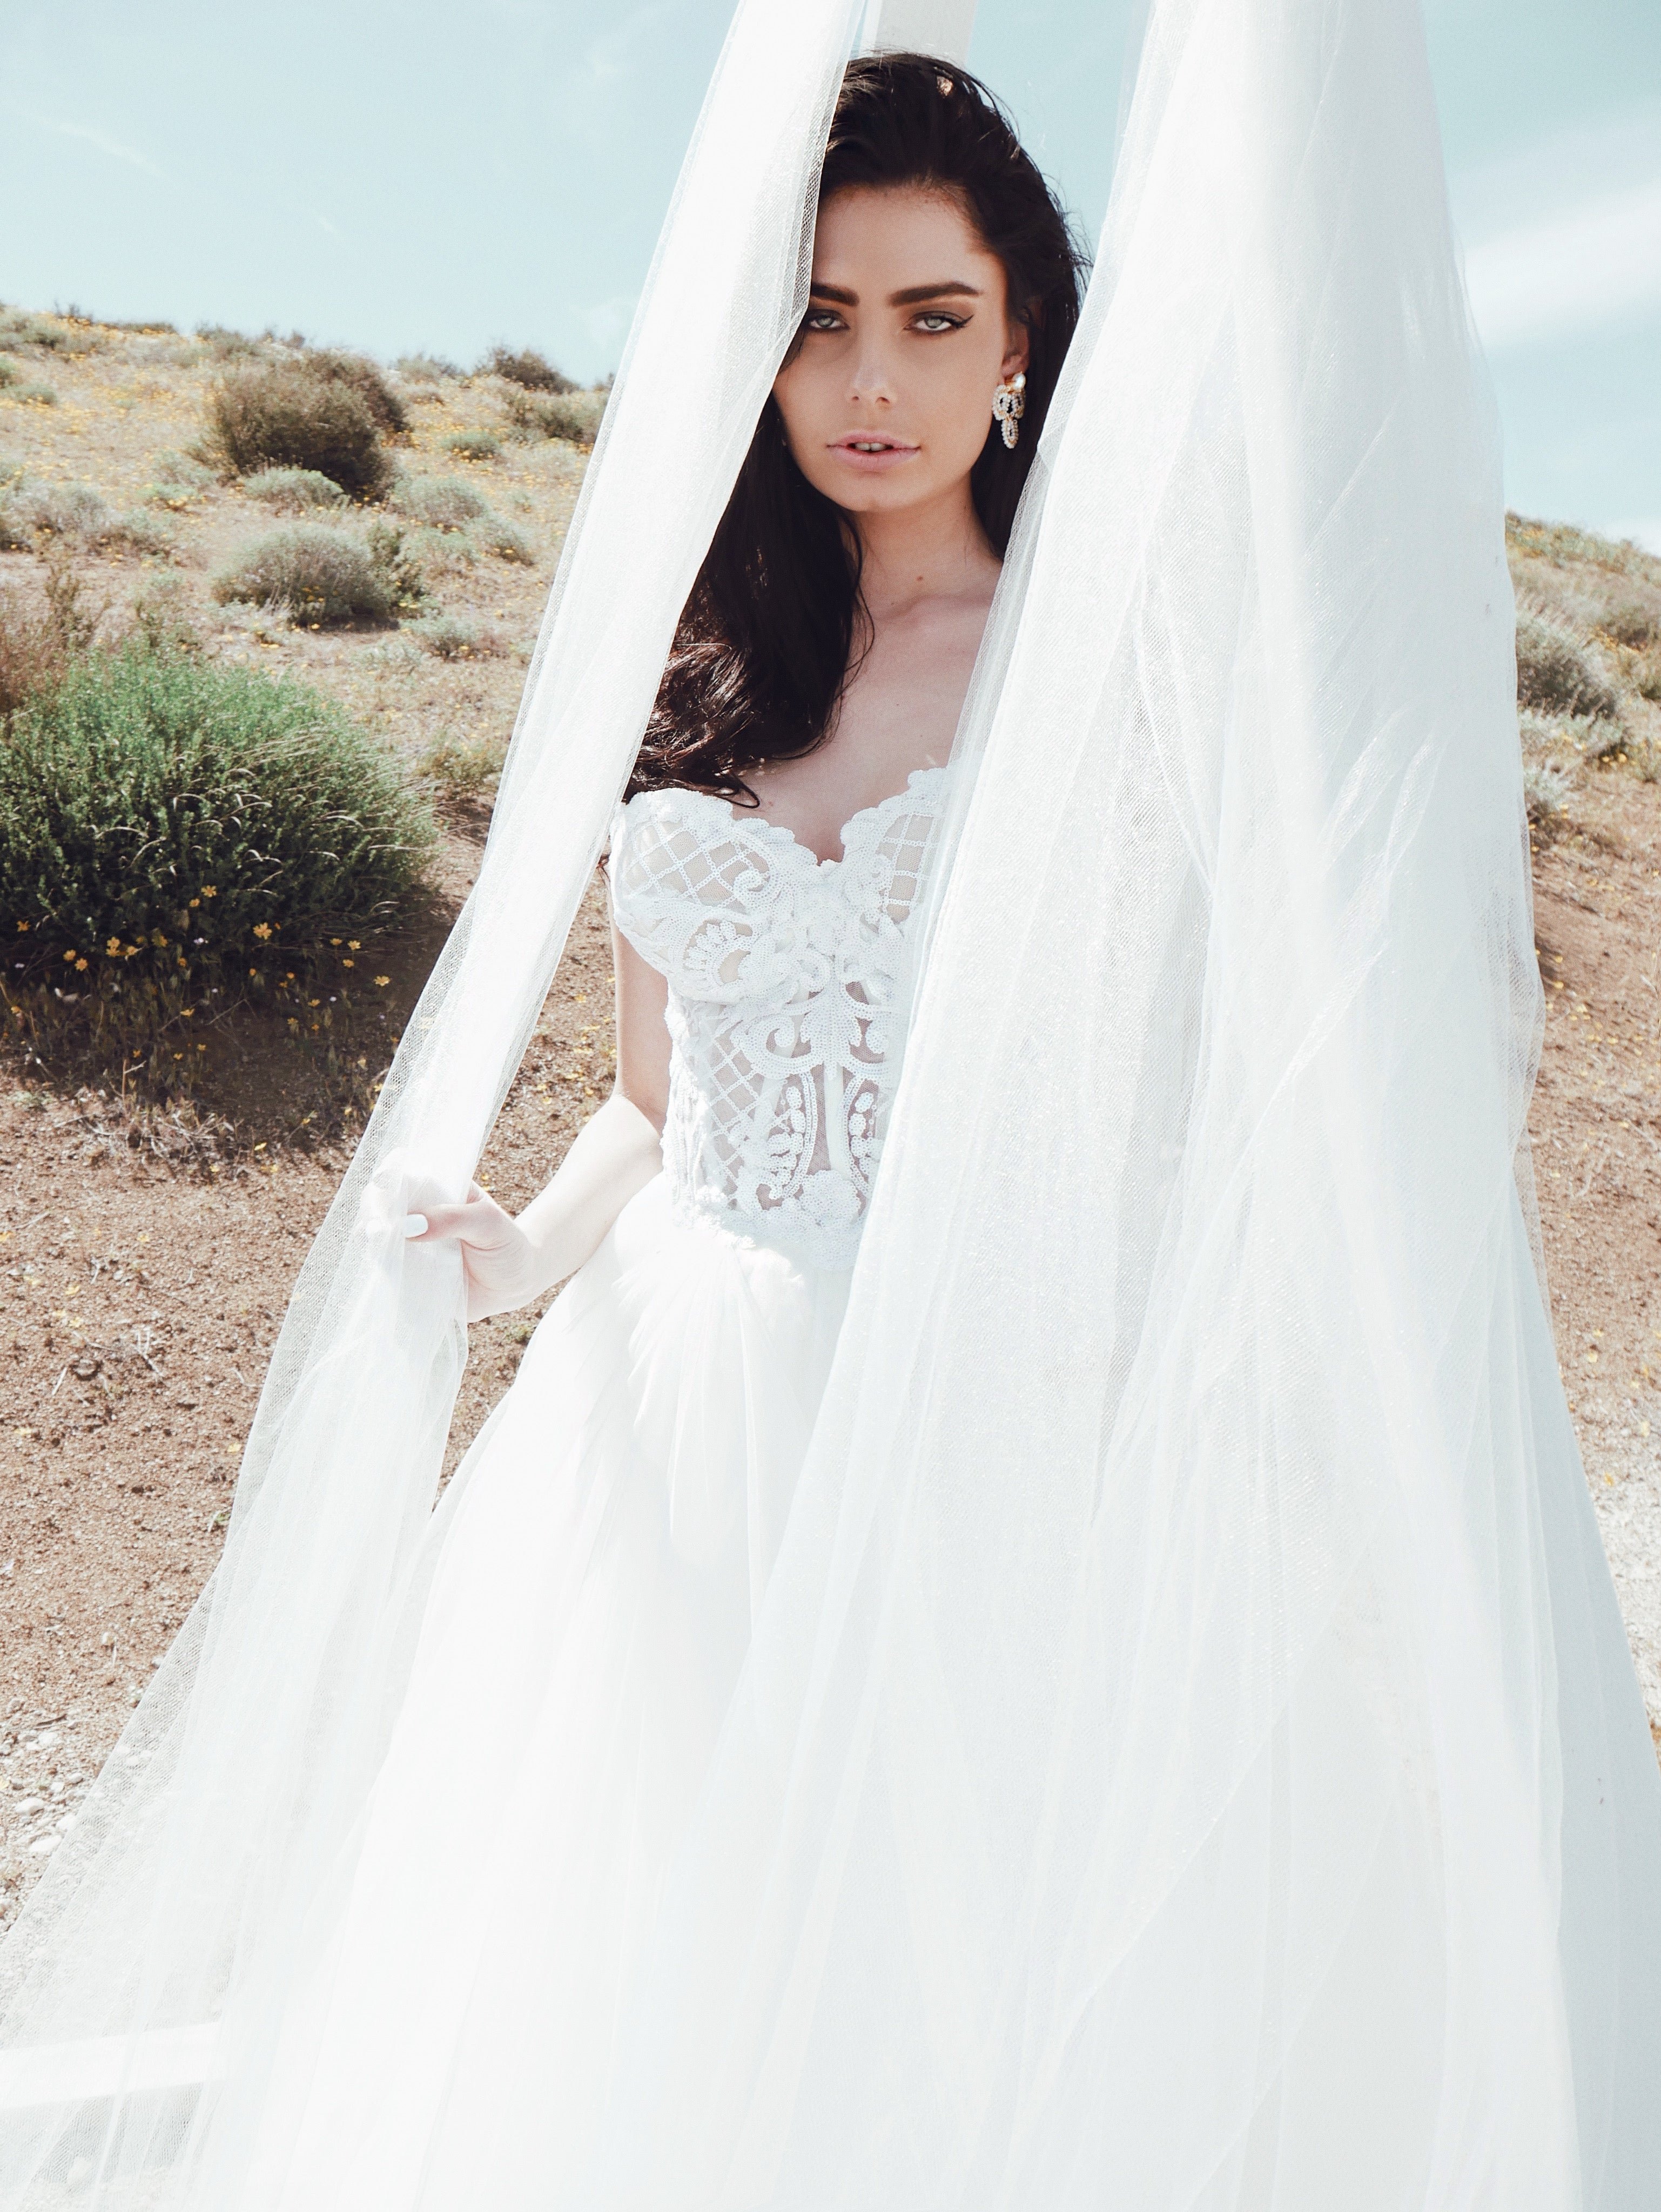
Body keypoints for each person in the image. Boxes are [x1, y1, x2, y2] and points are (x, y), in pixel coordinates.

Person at [206, 56, 1088, 2205]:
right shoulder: (704, 671)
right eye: (815, 315)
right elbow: (646, 1094)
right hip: (667, 1395)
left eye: (929, 314)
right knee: (636, 1968)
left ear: (1022, 342)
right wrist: (517, 1261)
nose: (869, 376)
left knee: (940, 1962)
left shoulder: (1075, 669)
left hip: (960, 1392)